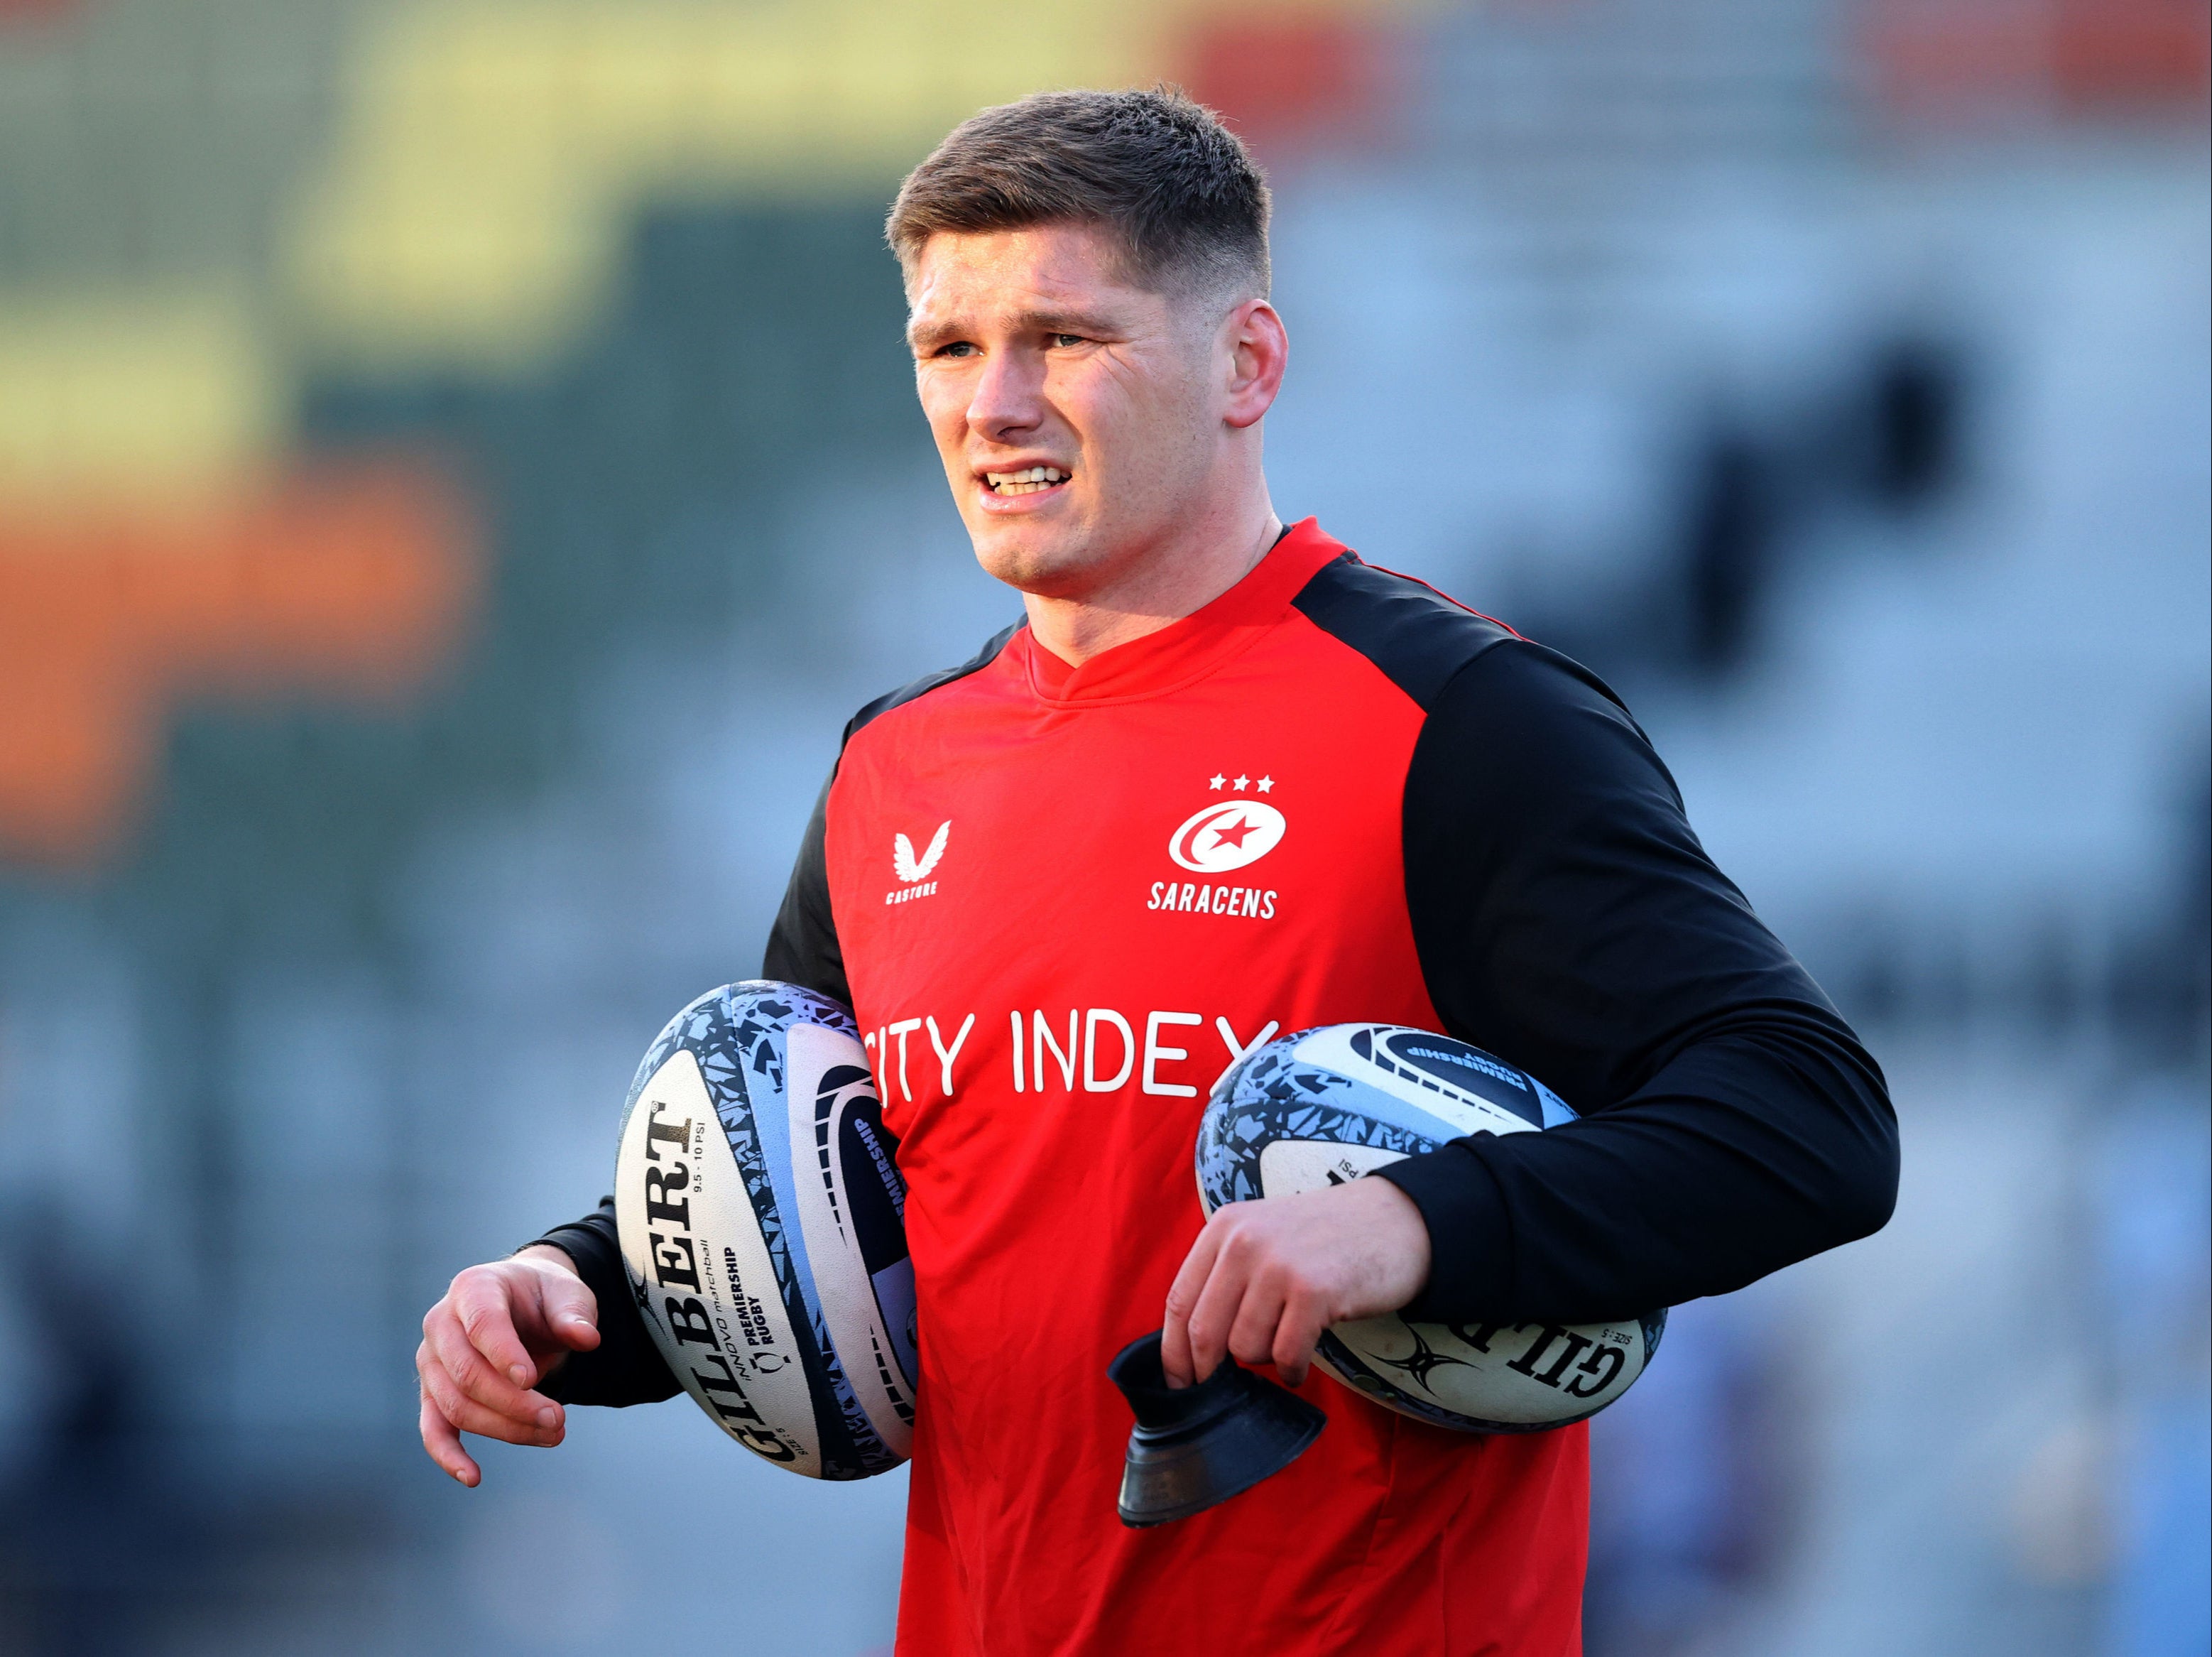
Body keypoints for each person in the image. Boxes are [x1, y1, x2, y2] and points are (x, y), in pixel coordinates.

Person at [415, 87, 1897, 1655]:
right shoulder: (888, 771)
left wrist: (1413, 1220)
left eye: (1063, 338)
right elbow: (812, 1202)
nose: (992, 404)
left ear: (1247, 362)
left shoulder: (1461, 725)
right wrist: (560, 1289)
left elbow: (1810, 1122)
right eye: (948, 348)